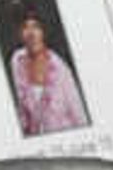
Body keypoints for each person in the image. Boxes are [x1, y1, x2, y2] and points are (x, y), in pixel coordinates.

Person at [5, 8, 90, 136]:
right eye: (25, 27)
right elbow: (22, 110)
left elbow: (79, 114)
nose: (31, 33)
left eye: (36, 27)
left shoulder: (60, 69)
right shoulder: (17, 60)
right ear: (19, 33)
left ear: (43, 32)